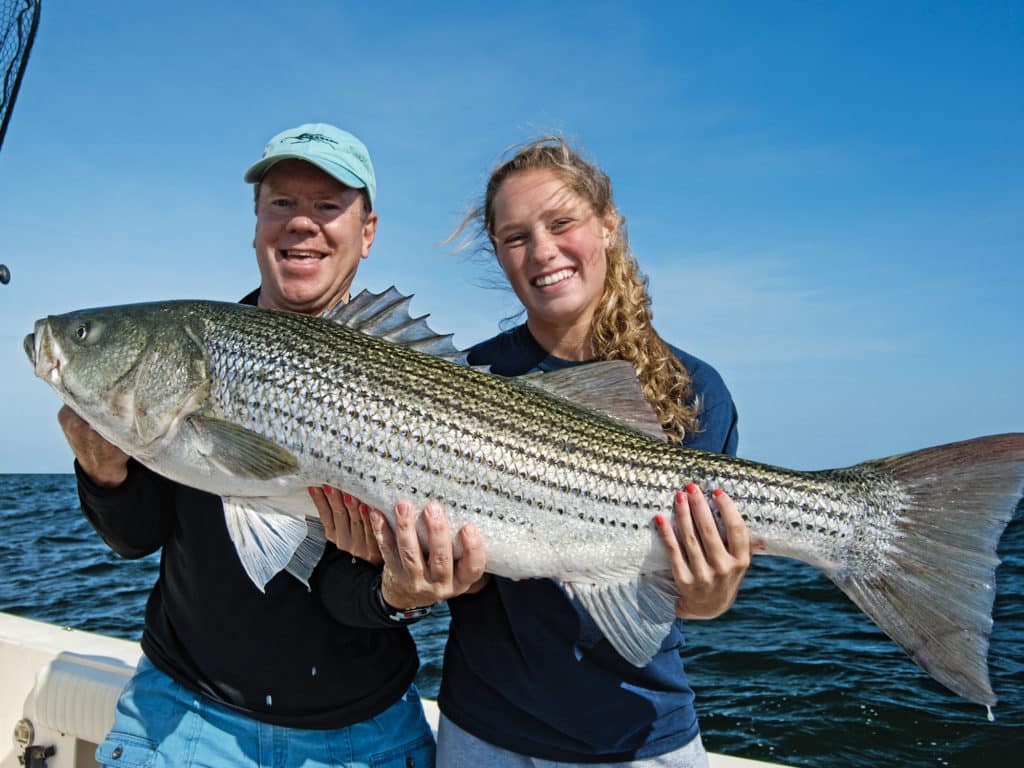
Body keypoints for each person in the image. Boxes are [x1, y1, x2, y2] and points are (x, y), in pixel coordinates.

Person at [57, 122, 485, 768]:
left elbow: (355, 597)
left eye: (327, 206)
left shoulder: (420, 381)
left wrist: (399, 593)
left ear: (367, 233)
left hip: (364, 734)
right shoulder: (192, 350)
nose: (301, 224)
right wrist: (105, 476)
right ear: (256, 222)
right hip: (185, 713)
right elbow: (134, 539)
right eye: (281, 203)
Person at [431, 137, 751, 767]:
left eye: (561, 223)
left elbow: (694, 597)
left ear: (608, 227)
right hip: (485, 733)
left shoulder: (695, 389)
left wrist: (713, 594)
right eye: (516, 237)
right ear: (497, 255)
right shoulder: (468, 379)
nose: (542, 251)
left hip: (641, 735)